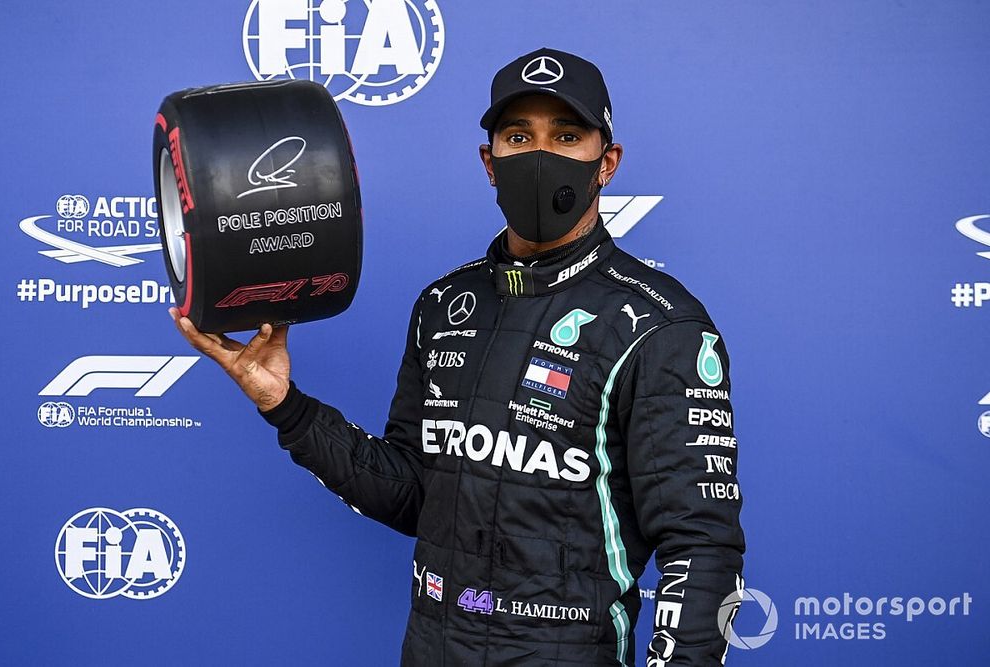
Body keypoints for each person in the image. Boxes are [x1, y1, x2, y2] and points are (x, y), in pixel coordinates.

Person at [171, 47, 745, 667]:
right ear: (488, 162)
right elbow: (416, 496)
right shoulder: (446, 305)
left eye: (567, 135)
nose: (539, 154)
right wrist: (287, 408)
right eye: (517, 135)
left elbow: (701, 543)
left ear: (607, 163)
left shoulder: (659, 325)